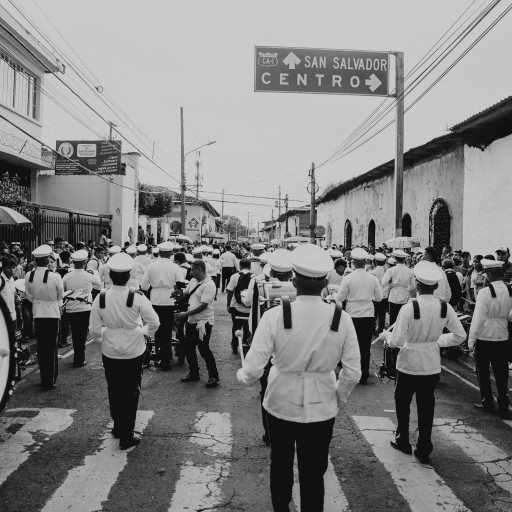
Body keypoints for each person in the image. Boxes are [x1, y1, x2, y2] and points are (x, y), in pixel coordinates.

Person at [237, 244, 361, 512]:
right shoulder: (341, 318)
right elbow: (353, 371)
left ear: (293, 281)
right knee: (314, 471)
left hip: (281, 401)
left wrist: (243, 375)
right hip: (322, 405)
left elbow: (254, 369)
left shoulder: (274, 315)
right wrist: (338, 397)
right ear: (326, 283)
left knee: (280, 463)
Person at [384, 260, 466, 465]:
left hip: (409, 363)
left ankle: (403, 439)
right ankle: (424, 448)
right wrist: (437, 341)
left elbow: (397, 341)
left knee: (403, 402)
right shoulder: (445, 307)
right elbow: (460, 335)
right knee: (426, 406)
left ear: (417, 284)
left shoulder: (409, 308)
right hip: (430, 364)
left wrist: (386, 336)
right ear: (436, 286)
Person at [89, 252, 159, 449]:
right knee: (131, 390)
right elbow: (154, 322)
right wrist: (144, 333)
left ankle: (118, 425)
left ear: (110, 275)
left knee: (114, 388)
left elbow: (94, 330)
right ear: (129, 276)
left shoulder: (101, 297)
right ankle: (126, 434)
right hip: (134, 350)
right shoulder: (137, 297)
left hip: (110, 350)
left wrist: (104, 337)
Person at [468, 258, 512, 419]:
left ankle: (487, 401)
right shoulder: (509, 290)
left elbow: (478, 318)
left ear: (489, 274)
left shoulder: (485, 292)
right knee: (501, 372)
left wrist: (471, 339)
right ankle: (503, 404)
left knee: (483, 371)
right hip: (502, 335)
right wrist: (503, 318)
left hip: (485, 336)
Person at [336, 247, 383, 385]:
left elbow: (340, 297)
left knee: (350, 345)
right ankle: (364, 374)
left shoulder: (348, 278)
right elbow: (379, 298)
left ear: (353, 262)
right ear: (365, 262)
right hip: (368, 314)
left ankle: (351, 372)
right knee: (365, 345)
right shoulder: (373, 278)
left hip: (352, 314)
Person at [25, 244, 64, 391]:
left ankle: (44, 378)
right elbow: (60, 295)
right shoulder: (55, 276)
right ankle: (50, 380)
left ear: (35, 261)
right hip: (52, 314)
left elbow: (29, 296)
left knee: (41, 347)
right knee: (51, 348)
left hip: (38, 313)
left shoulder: (29, 275)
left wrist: (38, 302)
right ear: (48, 260)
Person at [140, 241, 185, 371]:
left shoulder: (151, 266)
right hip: (170, 300)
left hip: (155, 299)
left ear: (159, 253)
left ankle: (160, 354)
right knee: (167, 328)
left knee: (157, 327)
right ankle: (166, 356)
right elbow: (181, 284)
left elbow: (144, 286)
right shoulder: (174, 266)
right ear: (171, 253)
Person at [175, 259, 219, 388]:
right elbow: (186, 293)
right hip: (192, 320)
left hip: (203, 322)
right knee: (189, 348)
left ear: (199, 269)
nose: (190, 273)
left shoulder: (209, 285)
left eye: (192, 270)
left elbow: (203, 306)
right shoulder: (194, 281)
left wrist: (185, 314)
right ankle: (194, 373)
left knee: (204, 349)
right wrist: (178, 294)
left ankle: (213, 376)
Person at [62, 250, 102, 368]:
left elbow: (62, 289)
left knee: (75, 333)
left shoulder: (67, 276)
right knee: (82, 334)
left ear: (73, 263)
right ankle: (80, 358)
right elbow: (98, 283)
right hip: (85, 308)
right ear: (85, 262)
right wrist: (94, 272)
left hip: (71, 308)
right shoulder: (88, 275)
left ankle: (77, 357)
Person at [381, 249, 416, 326]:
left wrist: (391, 284)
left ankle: (393, 332)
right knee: (404, 318)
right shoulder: (410, 271)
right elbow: (413, 286)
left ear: (395, 259)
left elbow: (383, 283)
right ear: (404, 259)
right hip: (405, 295)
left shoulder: (391, 270)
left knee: (393, 318)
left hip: (394, 295)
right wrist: (405, 287)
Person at [226, 259, 253, 354]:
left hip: (236, 308)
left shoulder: (234, 276)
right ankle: (245, 347)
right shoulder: (254, 277)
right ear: (250, 267)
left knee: (236, 327)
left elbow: (230, 291)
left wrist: (228, 305)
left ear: (240, 266)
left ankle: (235, 346)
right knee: (247, 329)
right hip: (250, 309)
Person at [372, 252, 388, 333]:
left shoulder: (373, 272)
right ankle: (381, 329)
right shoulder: (387, 271)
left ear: (375, 261)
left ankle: (372, 328)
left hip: (375, 295)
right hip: (384, 294)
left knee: (374, 313)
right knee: (382, 313)